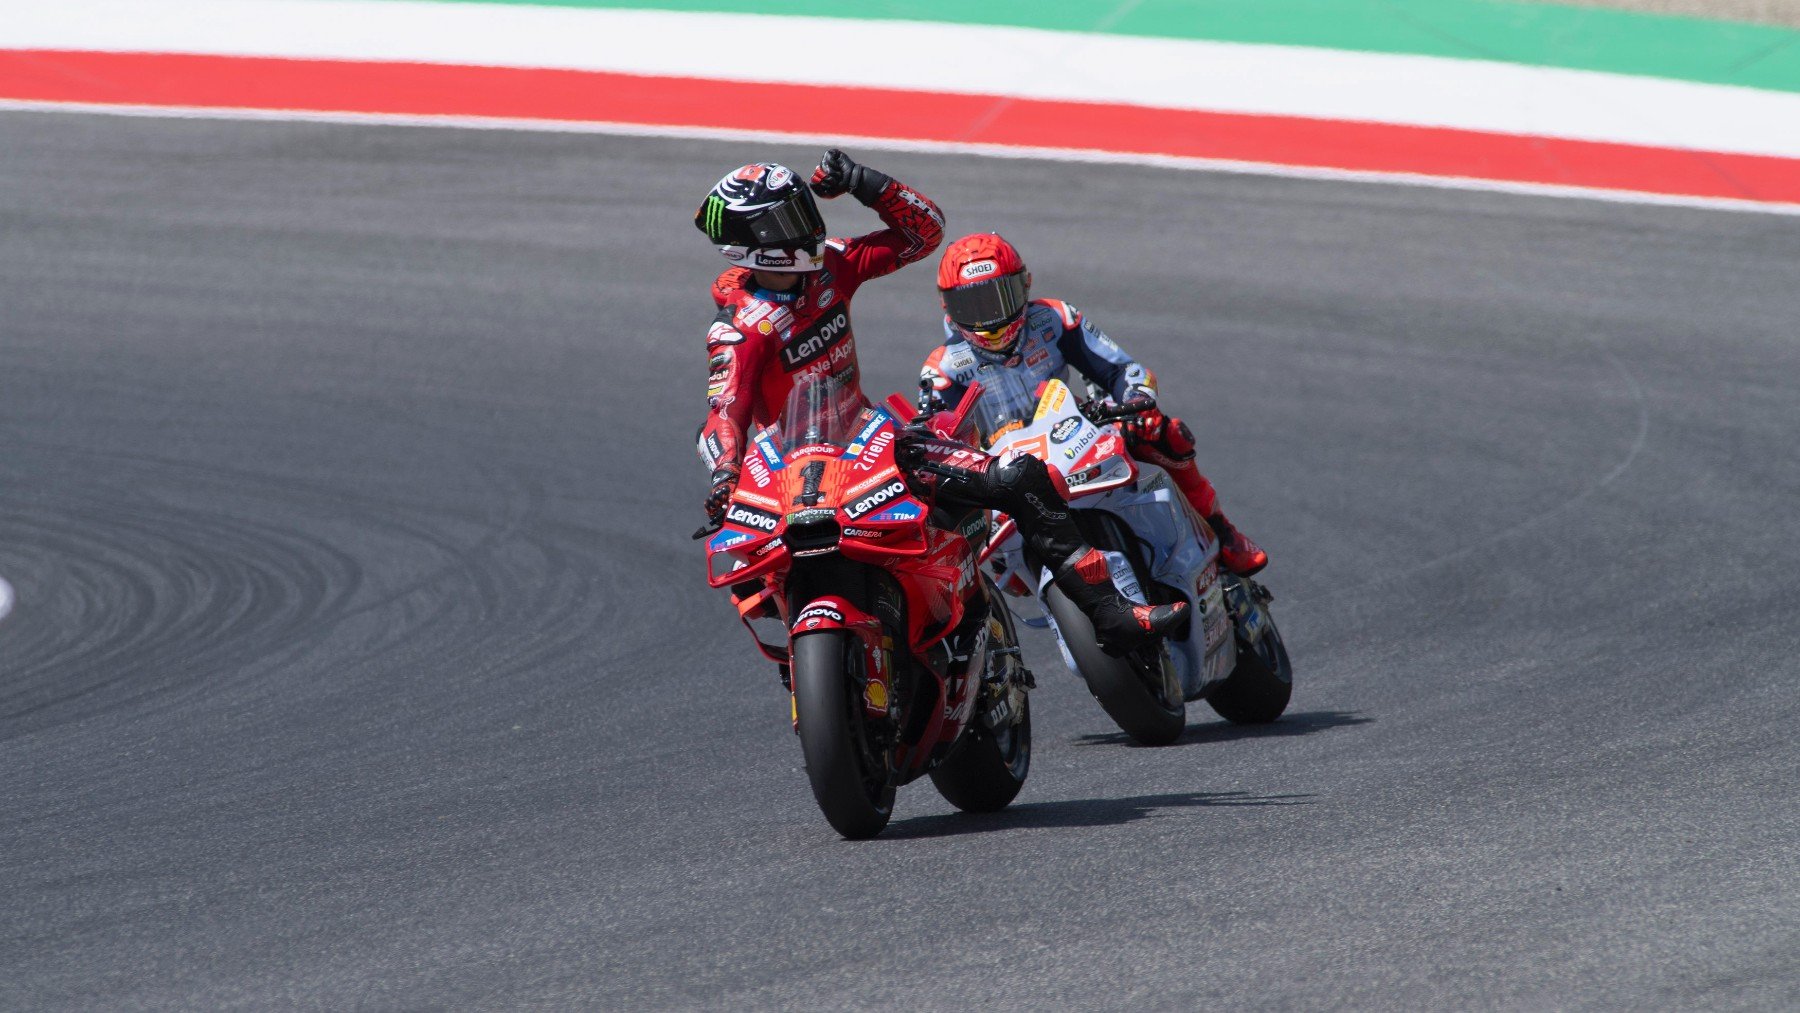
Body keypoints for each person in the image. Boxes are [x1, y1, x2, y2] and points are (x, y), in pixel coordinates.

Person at [694, 151, 1185, 648]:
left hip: (868, 441)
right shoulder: (742, 329)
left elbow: (922, 233)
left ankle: (1110, 612)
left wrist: (863, 182)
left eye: (802, 209)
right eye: (785, 220)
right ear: (748, 243)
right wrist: (723, 478)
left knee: (1020, 476)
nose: (805, 226)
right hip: (793, 475)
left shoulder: (831, 267)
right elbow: (722, 416)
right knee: (757, 575)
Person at [923, 233, 1267, 576]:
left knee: (1160, 430)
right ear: (949, 308)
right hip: (1008, 469)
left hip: (1074, 431)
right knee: (954, 524)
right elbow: (943, 447)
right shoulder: (943, 369)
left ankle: (1220, 529)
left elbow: (1121, 369)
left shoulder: (1055, 318)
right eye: (975, 306)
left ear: (1024, 285)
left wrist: (1137, 400)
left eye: (1000, 298)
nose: (991, 319)